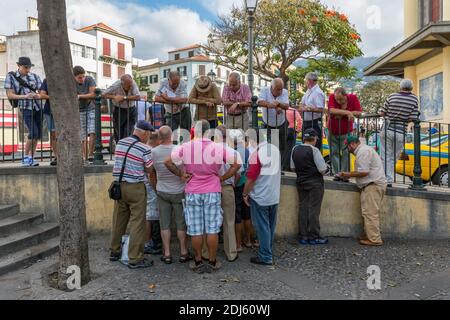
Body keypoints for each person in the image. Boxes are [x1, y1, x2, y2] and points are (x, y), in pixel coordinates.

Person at [165, 120, 241, 273]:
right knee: (212, 229)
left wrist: (181, 174)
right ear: (209, 132)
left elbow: (168, 162)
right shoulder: (218, 148)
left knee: (196, 229)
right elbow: (237, 164)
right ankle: (212, 261)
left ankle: (198, 260)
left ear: (195, 131)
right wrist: (222, 178)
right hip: (213, 190)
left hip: (193, 190)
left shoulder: (185, 146)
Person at [110, 120, 155, 269]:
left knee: (119, 219)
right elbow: (149, 169)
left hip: (118, 186)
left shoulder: (121, 143)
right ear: (145, 132)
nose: (149, 137)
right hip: (135, 188)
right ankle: (134, 257)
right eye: (149, 134)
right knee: (138, 222)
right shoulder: (144, 148)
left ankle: (114, 251)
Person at [150, 126, 192, 264]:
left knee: (165, 224)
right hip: (179, 191)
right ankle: (183, 252)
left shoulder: (153, 152)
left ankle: (167, 253)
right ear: (171, 136)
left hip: (162, 190)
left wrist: (156, 187)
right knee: (181, 224)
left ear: (160, 138)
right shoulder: (179, 149)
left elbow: (151, 173)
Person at [338, 136, 387, 246]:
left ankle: (374, 239)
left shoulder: (362, 152)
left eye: (348, 148)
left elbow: (364, 172)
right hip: (372, 185)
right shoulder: (365, 150)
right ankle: (369, 235)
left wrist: (347, 174)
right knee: (368, 212)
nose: (349, 151)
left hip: (372, 185)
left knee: (370, 213)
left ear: (352, 144)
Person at [243, 137, 281, 265]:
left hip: (260, 196)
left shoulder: (256, 154)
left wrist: (245, 193)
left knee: (262, 227)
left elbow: (251, 178)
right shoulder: (275, 150)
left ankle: (265, 256)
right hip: (274, 195)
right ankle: (267, 250)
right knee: (270, 226)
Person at [291, 128, 328, 245]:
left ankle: (303, 236)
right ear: (315, 139)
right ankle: (314, 236)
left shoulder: (295, 149)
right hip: (315, 183)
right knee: (314, 210)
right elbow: (322, 170)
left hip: (301, 182)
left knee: (303, 208)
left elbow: (292, 168)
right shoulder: (314, 150)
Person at [379, 79, 419, 187]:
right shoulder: (414, 99)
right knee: (394, 157)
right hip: (401, 132)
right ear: (411, 87)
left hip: (387, 129)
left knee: (385, 155)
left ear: (400, 87)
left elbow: (382, 112)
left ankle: (386, 179)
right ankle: (388, 179)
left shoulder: (392, 96)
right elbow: (413, 117)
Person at [4, 57, 42, 167]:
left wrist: (37, 95)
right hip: (25, 107)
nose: (28, 69)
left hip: (38, 107)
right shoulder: (11, 76)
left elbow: (41, 93)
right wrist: (25, 96)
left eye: (29, 67)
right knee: (33, 132)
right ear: (19, 66)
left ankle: (31, 157)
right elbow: (10, 95)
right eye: (26, 67)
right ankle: (25, 157)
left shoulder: (35, 76)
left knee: (37, 134)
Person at [328, 87, 362, 174]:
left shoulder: (353, 98)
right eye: (337, 99)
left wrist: (340, 114)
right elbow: (331, 110)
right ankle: (337, 173)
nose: (338, 101)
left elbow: (358, 113)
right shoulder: (332, 96)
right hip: (332, 131)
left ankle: (344, 174)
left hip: (346, 132)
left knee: (346, 153)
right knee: (334, 153)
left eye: (341, 99)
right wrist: (348, 113)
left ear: (345, 95)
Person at [258, 78, 290, 167]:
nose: (280, 91)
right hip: (267, 123)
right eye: (278, 89)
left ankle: (280, 167)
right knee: (267, 145)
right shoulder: (264, 90)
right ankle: (267, 165)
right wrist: (270, 105)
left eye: (281, 89)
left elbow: (286, 106)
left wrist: (278, 104)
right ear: (272, 87)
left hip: (281, 123)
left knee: (282, 146)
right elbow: (259, 102)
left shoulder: (284, 92)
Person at [103, 74, 141, 143]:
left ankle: (126, 149)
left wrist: (124, 98)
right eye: (128, 85)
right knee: (118, 132)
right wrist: (114, 97)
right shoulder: (116, 85)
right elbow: (104, 94)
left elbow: (138, 97)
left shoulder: (133, 83)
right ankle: (120, 149)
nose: (130, 87)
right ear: (122, 84)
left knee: (129, 131)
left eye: (131, 84)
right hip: (119, 110)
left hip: (131, 109)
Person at [73, 66, 96, 162]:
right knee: (82, 135)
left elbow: (93, 94)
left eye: (83, 76)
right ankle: (84, 156)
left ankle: (90, 154)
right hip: (79, 110)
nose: (82, 79)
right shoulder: (71, 82)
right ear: (74, 77)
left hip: (91, 108)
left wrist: (79, 96)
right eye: (79, 77)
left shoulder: (89, 79)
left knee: (92, 131)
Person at [145, 131, 163, 256]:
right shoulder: (152, 152)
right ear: (157, 140)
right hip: (151, 187)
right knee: (151, 216)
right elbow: (151, 174)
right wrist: (156, 189)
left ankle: (148, 241)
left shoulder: (146, 150)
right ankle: (150, 242)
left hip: (144, 186)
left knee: (148, 215)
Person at [234, 135, 253, 251]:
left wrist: (235, 184)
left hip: (238, 185)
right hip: (248, 184)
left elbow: (237, 172)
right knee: (247, 215)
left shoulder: (235, 152)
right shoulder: (248, 151)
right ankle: (249, 240)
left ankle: (238, 244)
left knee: (238, 216)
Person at [300, 72, 325, 150]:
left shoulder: (318, 92)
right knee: (305, 145)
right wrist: (304, 107)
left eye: (306, 80)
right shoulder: (309, 91)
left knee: (315, 146)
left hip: (314, 122)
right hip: (307, 122)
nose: (305, 82)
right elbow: (301, 103)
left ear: (310, 81)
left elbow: (321, 109)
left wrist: (308, 108)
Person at [39, 79, 57, 166]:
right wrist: (53, 98)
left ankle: (63, 155)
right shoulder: (47, 80)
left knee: (60, 134)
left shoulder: (66, 79)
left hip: (63, 111)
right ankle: (57, 156)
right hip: (49, 111)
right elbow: (42, 94)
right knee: (53, 134)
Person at [284, 105, 302, 171]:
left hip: (283, 129)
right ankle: (288, 166)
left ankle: (282, 166)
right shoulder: (293, 111)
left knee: (283, 149)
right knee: (290, 149)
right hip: (291, 129)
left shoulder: (282, 110)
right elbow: (299, 120)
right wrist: (298, 130)